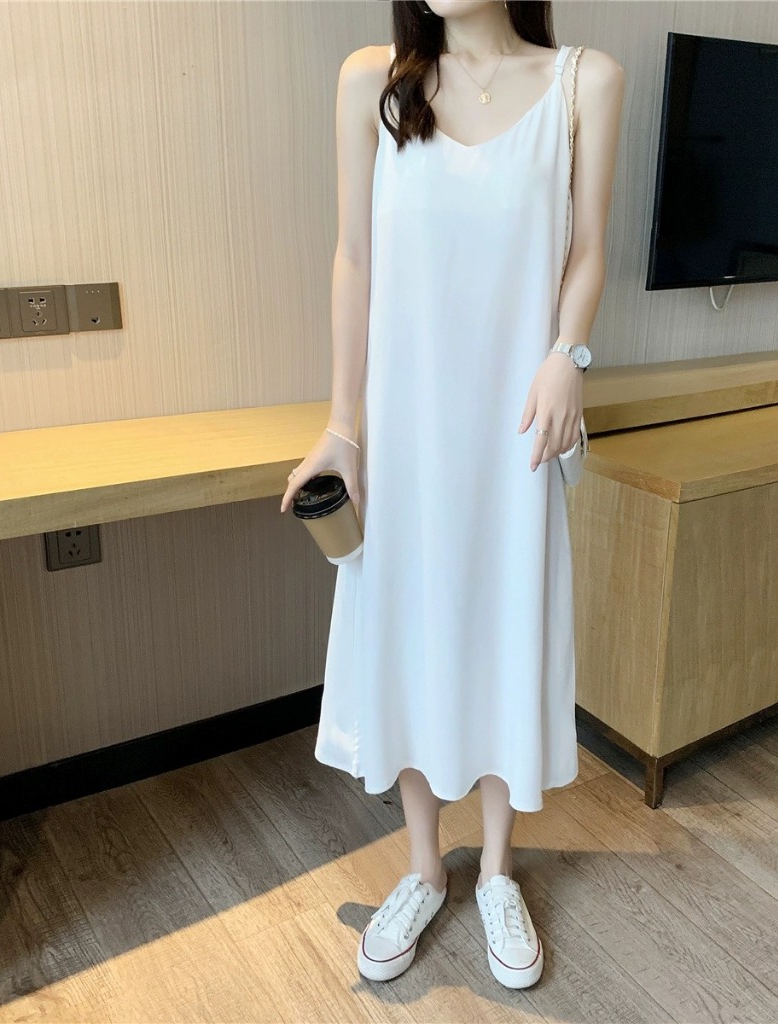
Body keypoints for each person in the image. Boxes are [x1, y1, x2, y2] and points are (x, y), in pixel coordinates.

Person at [280, 0, 623, 991]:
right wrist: (343, 425)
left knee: (507, 626)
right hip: (409, 429)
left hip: (516, 424)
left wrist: (567, 354)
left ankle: (499, 871)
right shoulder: (372, 81)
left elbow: (586, 247)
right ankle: (427, 868)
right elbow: (354, 258)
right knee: (414, 629)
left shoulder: (584, 83)